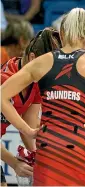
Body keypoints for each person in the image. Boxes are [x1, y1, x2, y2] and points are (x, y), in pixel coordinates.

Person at [1, 8, 85, 186]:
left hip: (48, 146)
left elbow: (2, 96)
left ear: (62, 32)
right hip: (80, 147)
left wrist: (27, 129)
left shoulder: (42, 62)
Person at [1, 27, 62, 186]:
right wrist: (14, 164)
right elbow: (27, 129)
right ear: (33, 57)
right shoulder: (4, 80)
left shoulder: (35, 82)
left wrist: (38, 158)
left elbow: (30, 126)